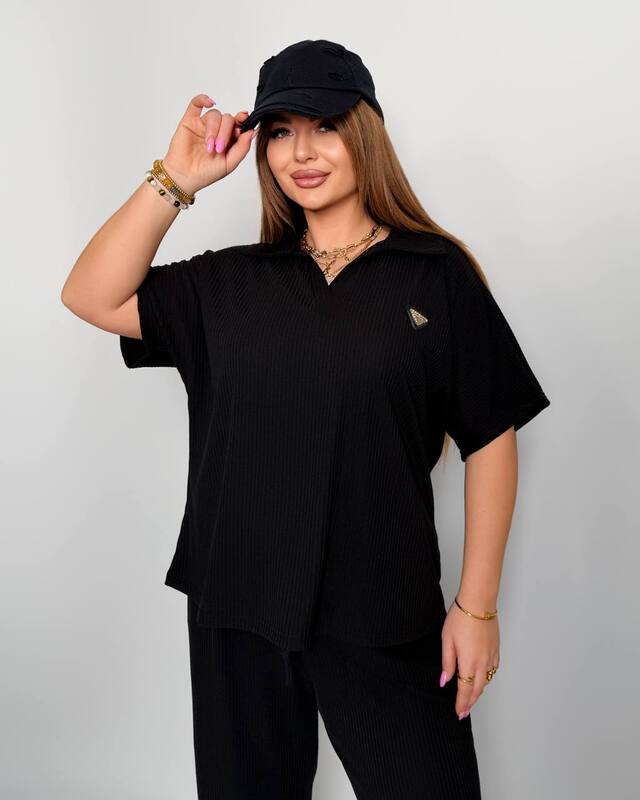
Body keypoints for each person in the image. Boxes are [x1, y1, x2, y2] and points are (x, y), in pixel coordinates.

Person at [61, 39, 550, 800]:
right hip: (240, 603)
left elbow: (491, 436)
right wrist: (177, 179)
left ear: (365, 134)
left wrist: (476, 606)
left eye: (325, 126)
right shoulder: (232, 283)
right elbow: (90, 295)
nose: (301, 152)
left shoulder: (434, 275)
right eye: (282, 131)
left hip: (383, 605)